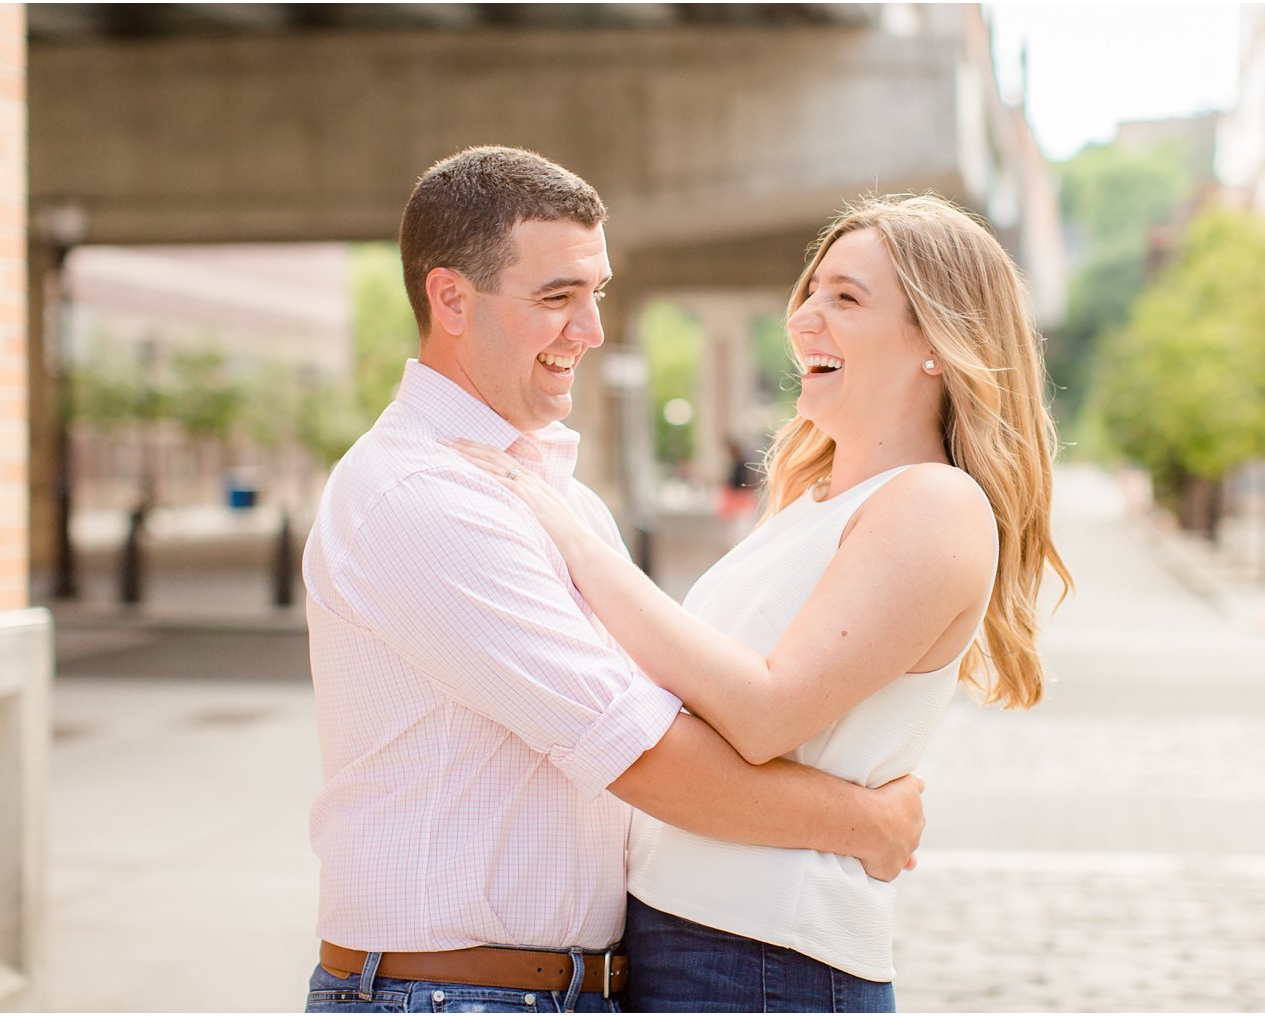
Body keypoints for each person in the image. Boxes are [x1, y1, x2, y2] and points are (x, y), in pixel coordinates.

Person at [300, 147, 927, 1015]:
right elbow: (644, 757)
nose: (589, 330)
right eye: (556, 298)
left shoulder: (561, 498)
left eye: (594, 293)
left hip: (560, 991)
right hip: (447, 997)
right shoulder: (423, 497)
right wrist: (863, 824)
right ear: (450, 299)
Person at [454, 193, 1073, 1012]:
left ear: (936, 341)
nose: (805, 319)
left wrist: (578, 547)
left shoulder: (932, 505)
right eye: (810, 293)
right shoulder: (817, 502)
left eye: (846, 298)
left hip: (762, 959)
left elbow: (767, 710)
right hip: (692, 937)